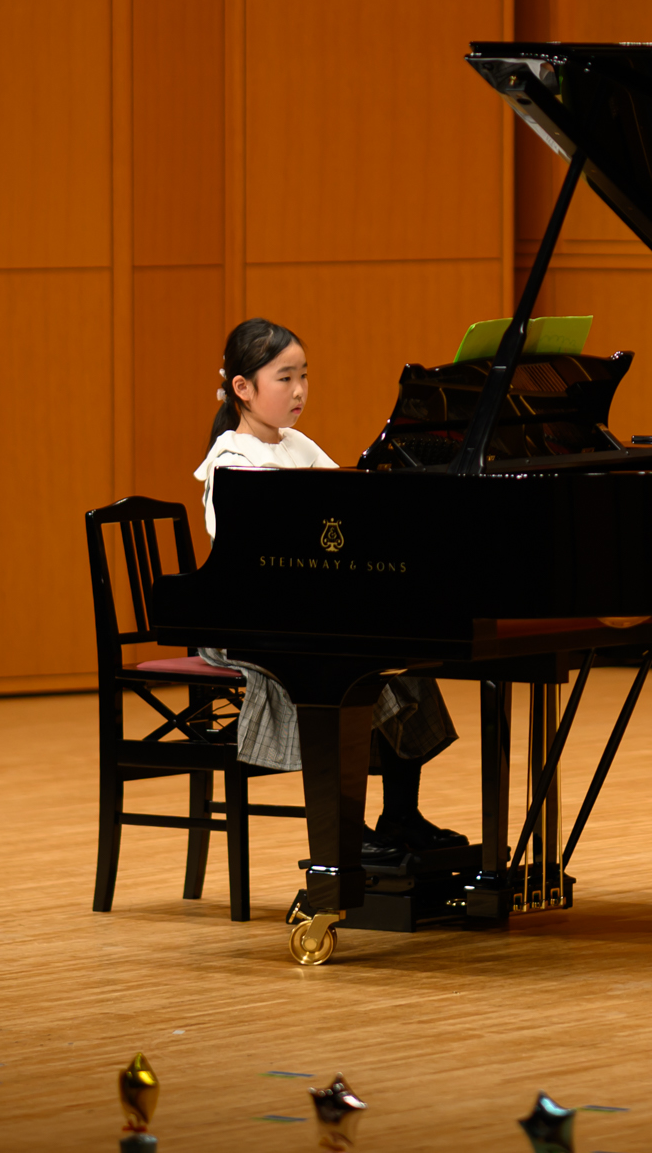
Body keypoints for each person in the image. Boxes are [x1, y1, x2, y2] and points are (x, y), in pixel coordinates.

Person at [194, 316, 467, 861]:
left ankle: (399, 815)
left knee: (401, 659)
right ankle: (347, 831)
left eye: (304, 376)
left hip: (307, 607)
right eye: (284, 377)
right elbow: (254, 560)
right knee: (355, 667)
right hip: (251, 618)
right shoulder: (234, 461)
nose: (298, 391)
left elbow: (350, 508)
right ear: (243, 389)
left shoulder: (297, 444)